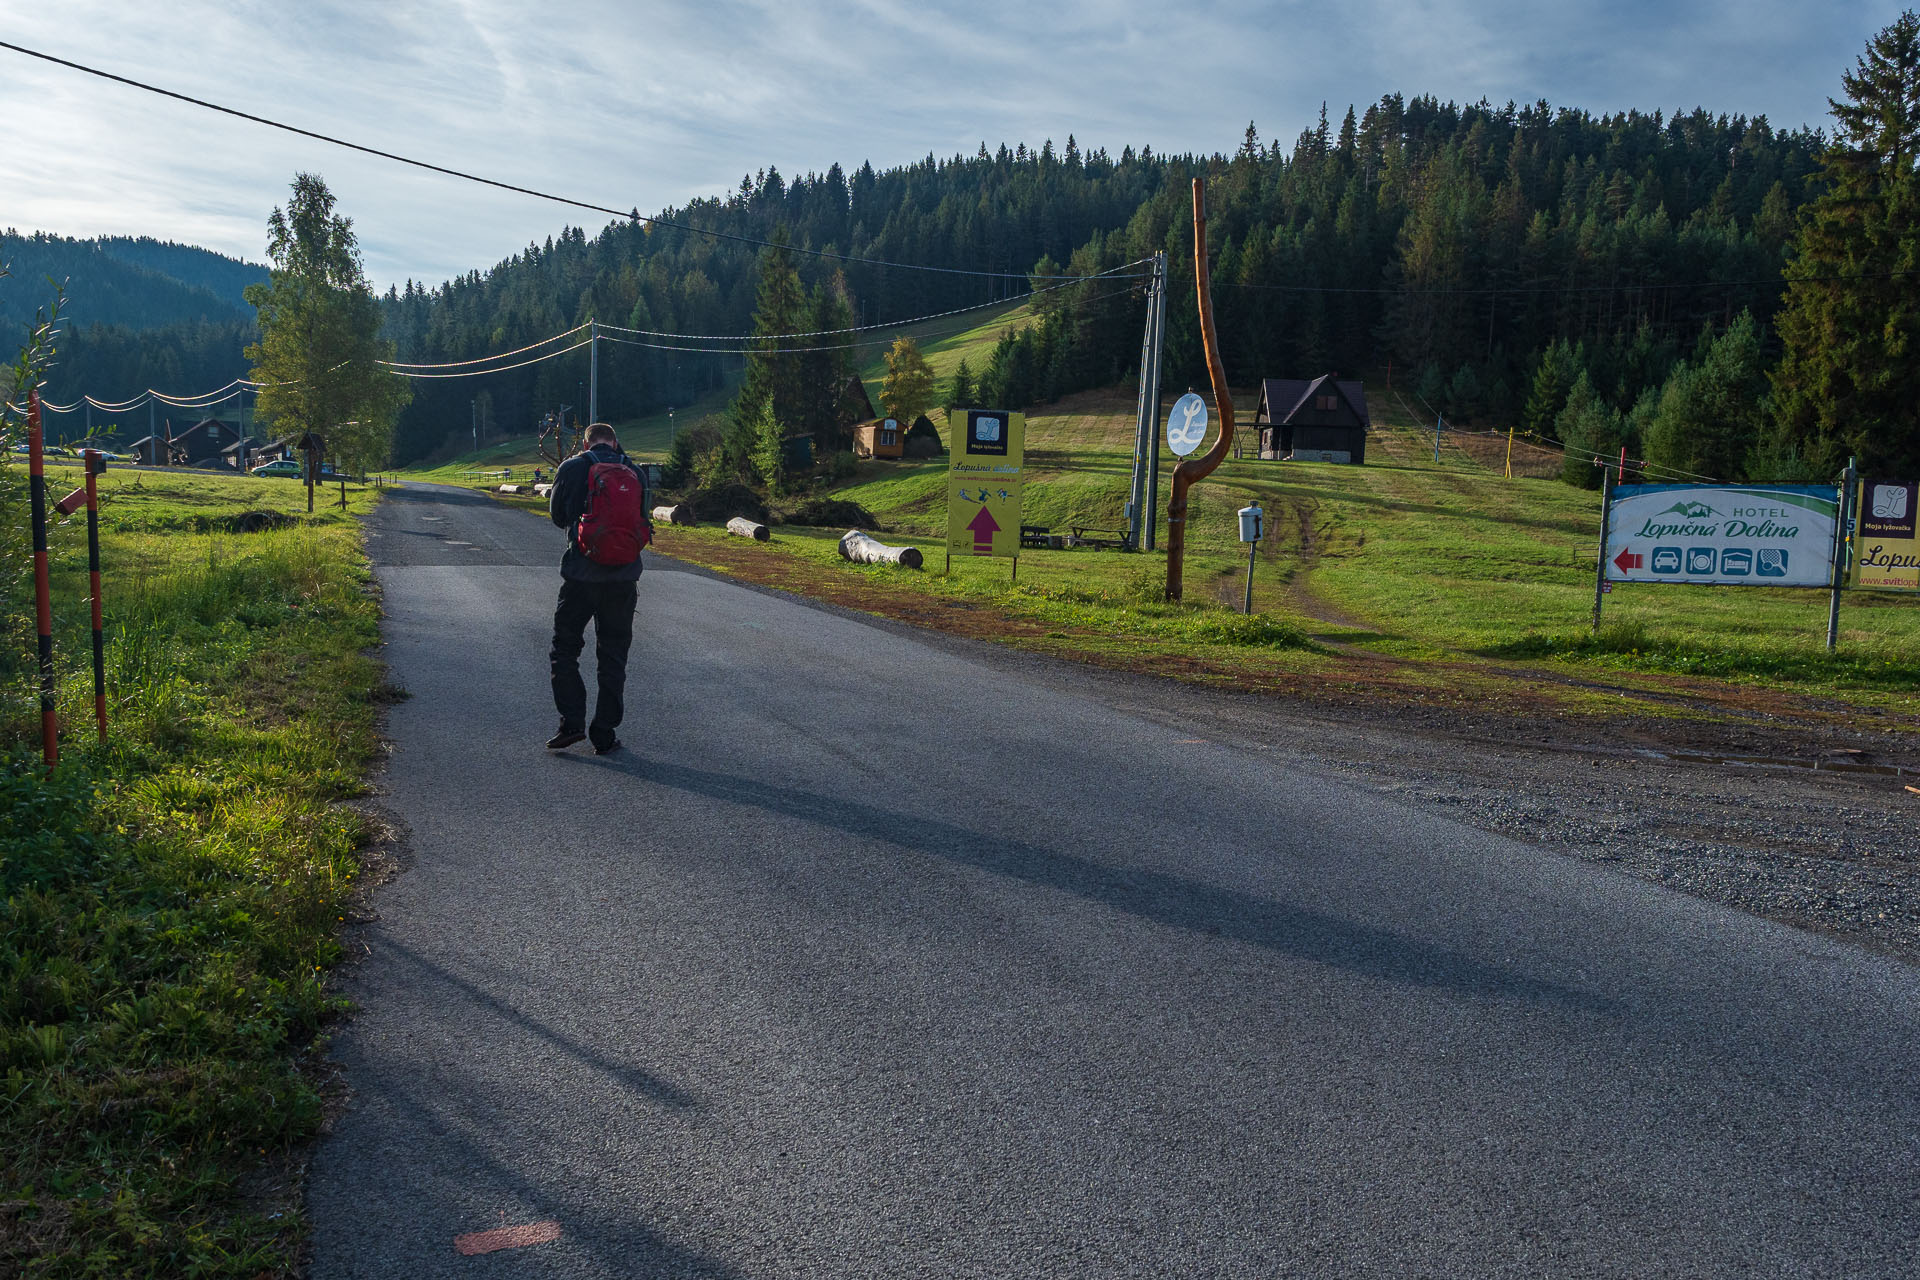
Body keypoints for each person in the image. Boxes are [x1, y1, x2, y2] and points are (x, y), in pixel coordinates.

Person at [546, 423, 648, 754]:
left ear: (587, 443)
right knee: (613, 655)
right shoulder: (635, 471)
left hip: (581, 577)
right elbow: (643, 524)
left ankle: (572, 723)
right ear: (616, 442)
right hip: (623, 581)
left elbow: (559, 517)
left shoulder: (573, 467)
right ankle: (604, 733)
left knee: (565, 650)